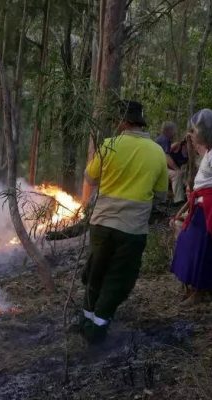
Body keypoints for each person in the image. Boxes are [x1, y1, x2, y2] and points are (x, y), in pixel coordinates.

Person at [77, 100, 169, 345]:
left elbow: (89, 177)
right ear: (141, 123)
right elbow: (161, 194)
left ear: (123, 122)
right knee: (119, 277)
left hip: (102, 223)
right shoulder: (157, 152)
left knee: (96, 271)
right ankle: (98, 325)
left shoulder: (110, 144)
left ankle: (87, 319)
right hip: (132, 228)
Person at [170, 109, 212, 305]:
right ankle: (196, 287)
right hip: (204, 203)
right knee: (191, 244)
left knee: (202, 247)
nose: (194, 135)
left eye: (196, 131)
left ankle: (200, 289)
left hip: (211, 207)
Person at [156, 121, 186, 205]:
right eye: (173, 130)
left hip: (158, 166)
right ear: (168, 130)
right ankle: (178, 199)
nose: (174, 133)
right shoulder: (164, 140)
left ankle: (170, 197)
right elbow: (166, 157)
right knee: (176, 174)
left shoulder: (164, 139)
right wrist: (176, 169)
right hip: (156, 168)